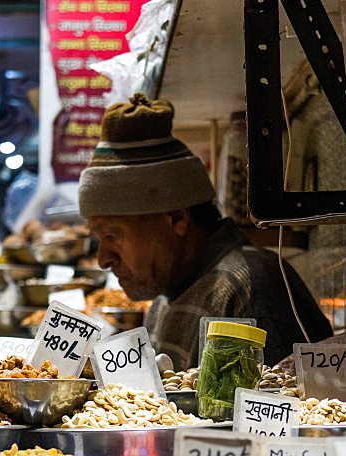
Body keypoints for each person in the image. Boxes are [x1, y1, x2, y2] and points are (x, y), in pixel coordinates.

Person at [78, 93, 332, 370]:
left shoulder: (249, 289)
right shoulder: (167, 291)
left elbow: (289, 408)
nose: (103, 259)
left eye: (112, 236)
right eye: (98, 240)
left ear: (176, 219)